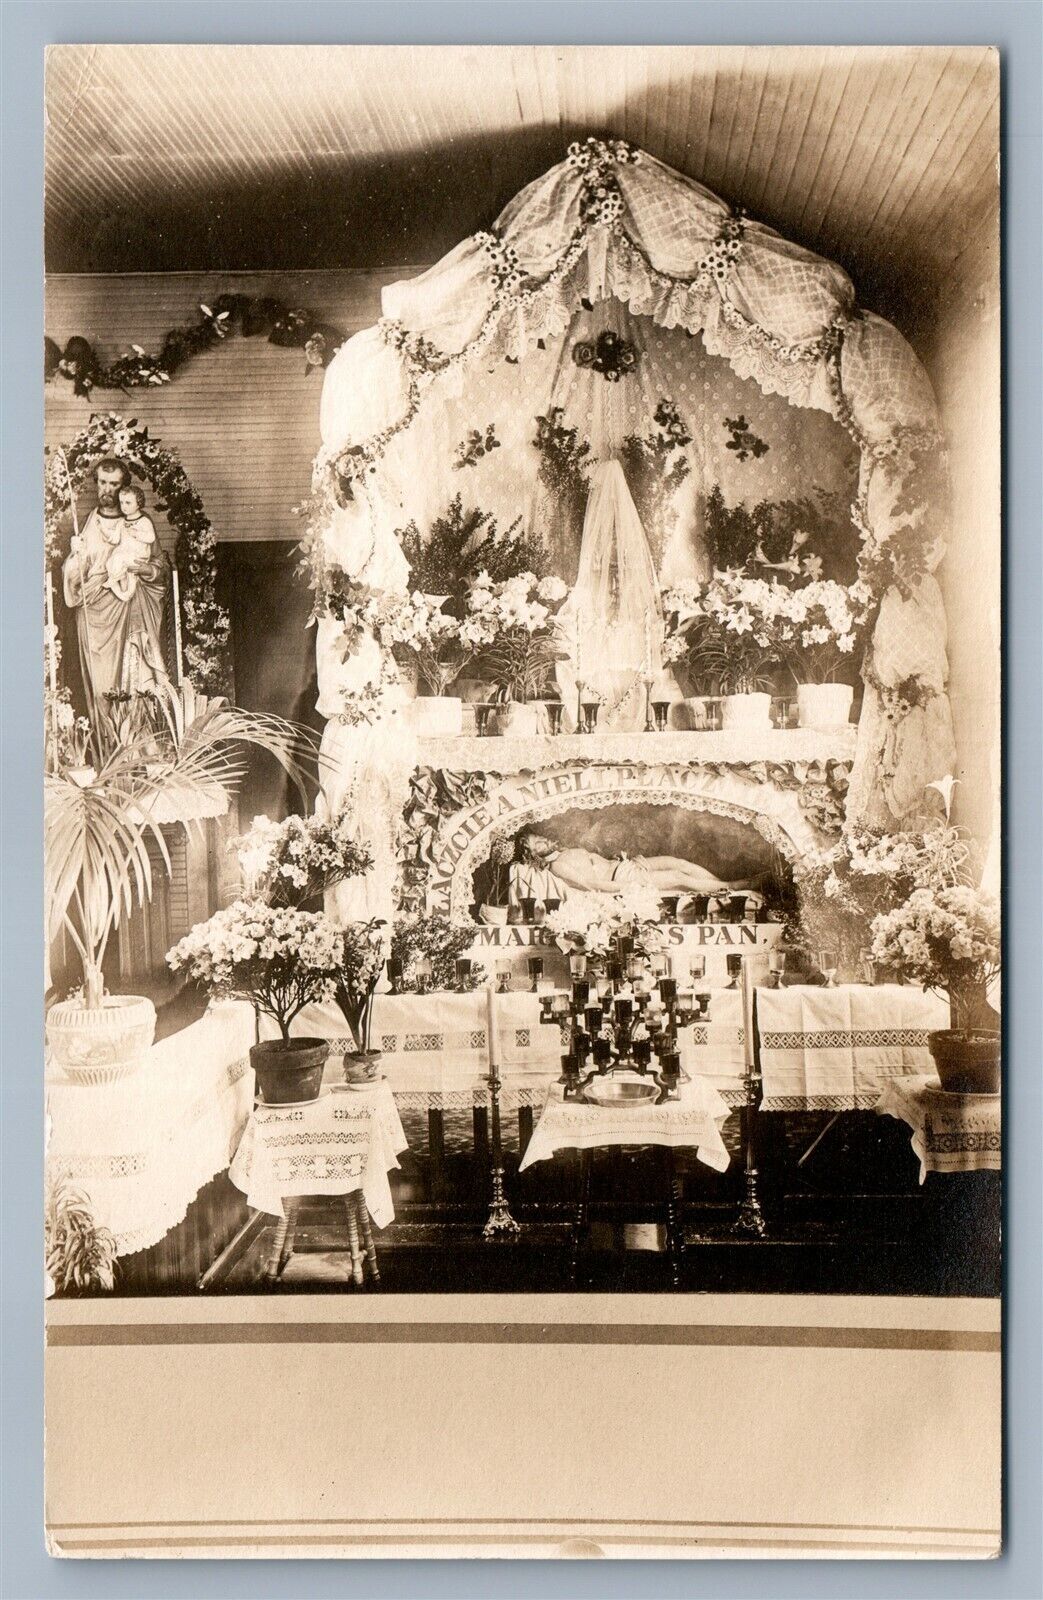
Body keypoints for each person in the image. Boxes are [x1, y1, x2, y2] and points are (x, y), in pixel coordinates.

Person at [62, 458, 171, 707]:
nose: (107, 489)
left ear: (124, 487)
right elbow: (75, 576)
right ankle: (104, 733)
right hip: (94, 616)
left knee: (135, 679)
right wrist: (74, 555)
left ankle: (135, 733)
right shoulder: (89, 521)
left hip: (130, 608)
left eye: (114, 484)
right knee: (101, 686)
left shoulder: (140, 522)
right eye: (102, 482)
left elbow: (159, 566)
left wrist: (144, 569)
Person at [515, 828, 741, 897]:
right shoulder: (557, 865)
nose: (544, 840)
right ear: (533, 855)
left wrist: (623, 860)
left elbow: (599, 862)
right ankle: (733, 887)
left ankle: (724, 887)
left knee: (678, 862)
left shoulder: (565, 851)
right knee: (678, 878)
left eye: (540, 837)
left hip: (625, 865)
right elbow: (590, 885)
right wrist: (625, 887)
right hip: (622, 878)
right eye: (538, 844)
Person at [104, 484, 158, 601]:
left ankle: (115, 580)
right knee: (110, 563)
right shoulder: (121, 522)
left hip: (138, 556)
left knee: (119, 560)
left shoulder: (144, 521)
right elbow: (115, 539)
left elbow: (151, 538)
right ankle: (123, 593)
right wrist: (104, 531)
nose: (124, 506)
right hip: (125, 554)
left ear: (138, 504)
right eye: (121, 502)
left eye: (128, 503)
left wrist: (137, 533)